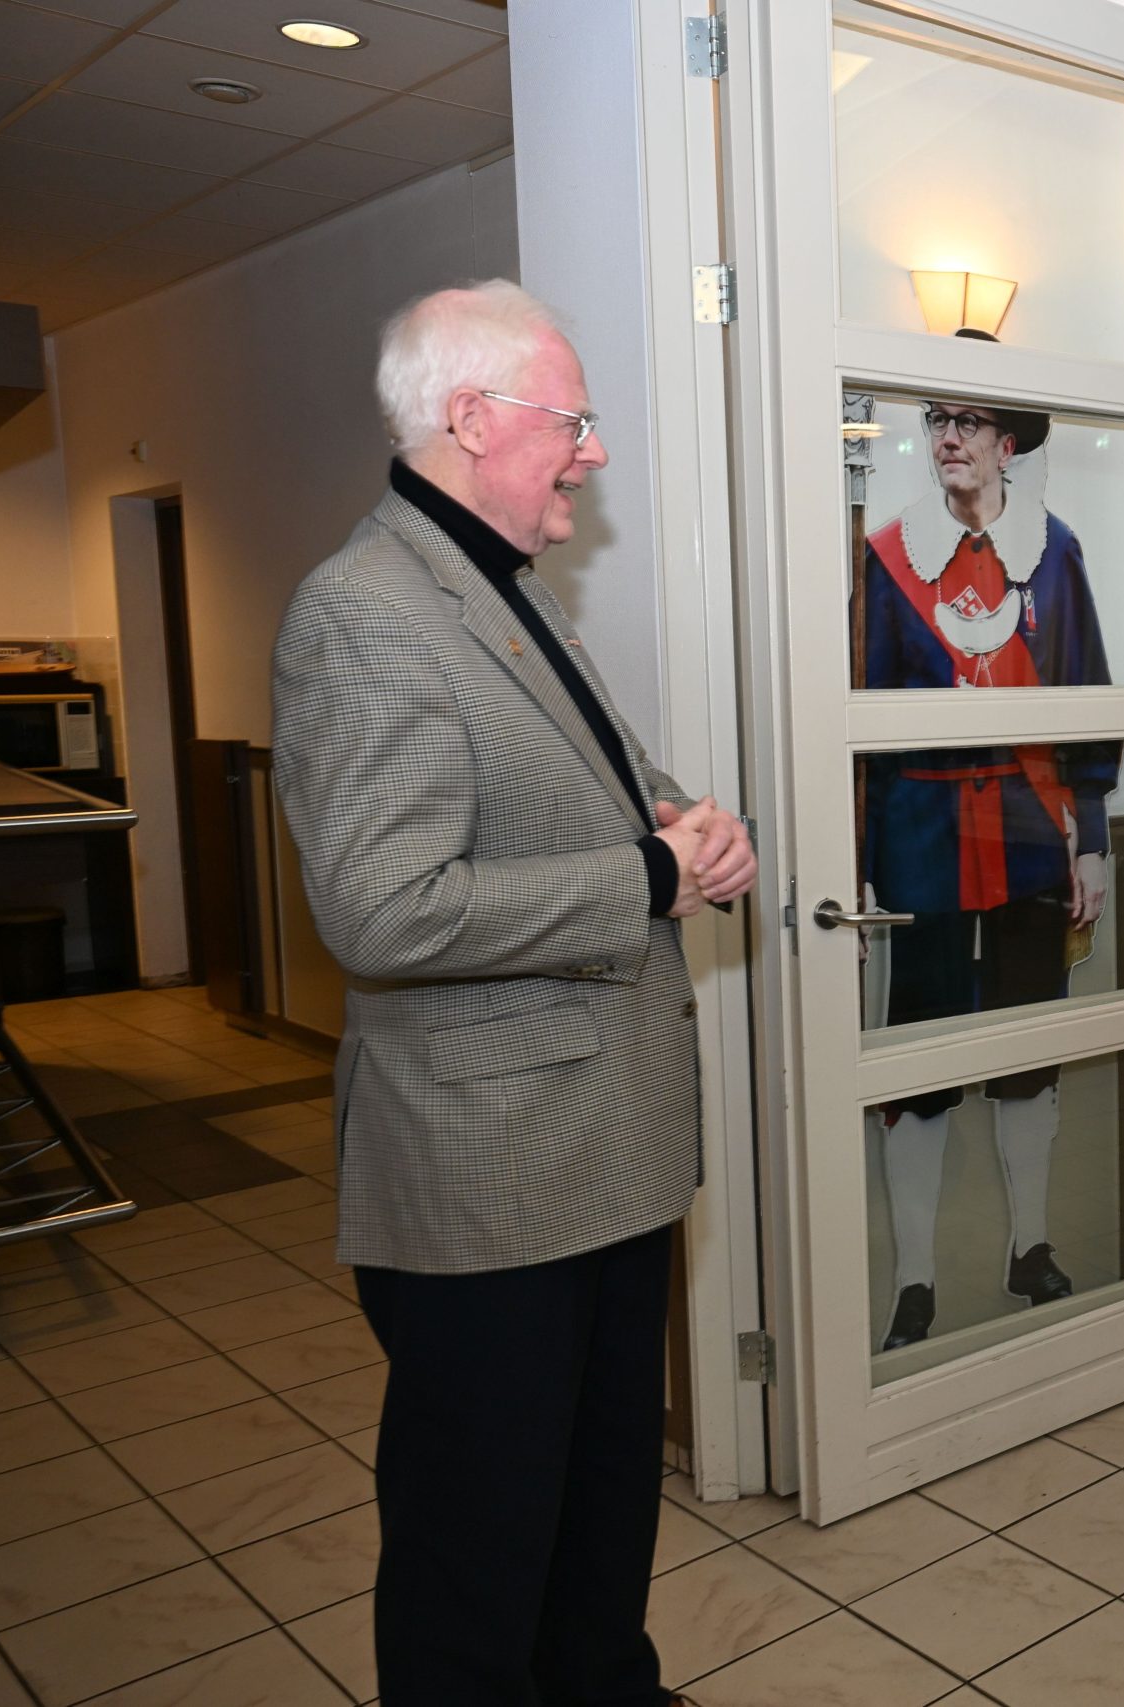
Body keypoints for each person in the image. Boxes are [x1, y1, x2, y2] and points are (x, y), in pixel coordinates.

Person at [272, 279, 754, 1707]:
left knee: (600, 1501)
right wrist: (649, 875)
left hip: (605, 1150)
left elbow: (606, 789)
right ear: (473, 418)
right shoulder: (361, 611)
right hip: (490, 1179)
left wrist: (690, 824)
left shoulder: (509, 588)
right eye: (574, 422)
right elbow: (384, 908)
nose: (592, 454)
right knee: (475, 1549)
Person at [857, 373, 1118, 1349]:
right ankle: (915, 1283)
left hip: (1027, 837)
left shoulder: (1056, 554)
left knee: (1026, 1058)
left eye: (969, 421)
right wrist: (856, 862)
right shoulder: (885, 560)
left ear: (1008, 445)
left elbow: (1087, 695)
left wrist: (1093, 837)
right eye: (939, 419)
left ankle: (1029, 1248)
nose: (949, 437)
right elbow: (856, 725)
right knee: (920, 1068)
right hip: (921, 843)